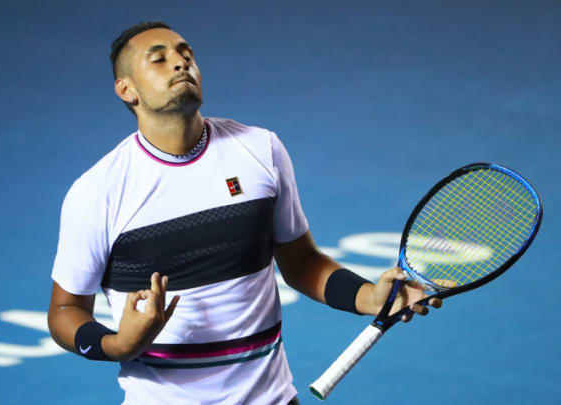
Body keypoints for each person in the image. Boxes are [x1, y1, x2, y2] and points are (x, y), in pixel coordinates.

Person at [47, 21, 441, 405]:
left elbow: (301, 261)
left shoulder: (260, 150)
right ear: (126, 90)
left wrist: (369, 296)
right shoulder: (98, 192)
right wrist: (119, 344)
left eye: (187, 55)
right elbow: (66, 311)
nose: (181, 63)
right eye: (159, 59)